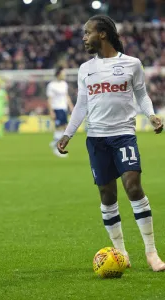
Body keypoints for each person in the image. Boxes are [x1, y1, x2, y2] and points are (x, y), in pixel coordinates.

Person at [57, 15, 165, 271]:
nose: (84, 37)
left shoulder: (131, 64)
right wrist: (67, 133)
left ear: (102, 34)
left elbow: (141, 94)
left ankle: (152, 253)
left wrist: (151, 115)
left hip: (123, 134)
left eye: (88, 32)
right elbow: (82, 104)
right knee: (107, 195)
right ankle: (122, 254)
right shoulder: (86, 69)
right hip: (96, 138)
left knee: (133, 186)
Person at [46, 67, 74, 157]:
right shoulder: (51, 85)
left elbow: (66, 96)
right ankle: (56, 148)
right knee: (59, 127)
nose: (64, 75)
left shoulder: (64, 84)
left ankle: (55, 142)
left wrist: (71, 106)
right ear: (58, 74)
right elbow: (49, 99)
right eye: (63, 73)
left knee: (64, 127)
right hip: (56, 108)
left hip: (63, 108)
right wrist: (51, 111)